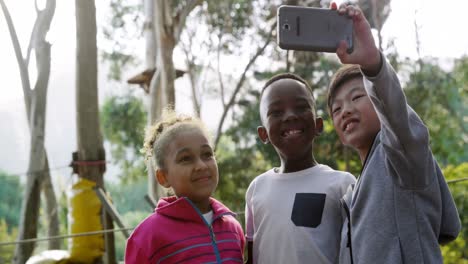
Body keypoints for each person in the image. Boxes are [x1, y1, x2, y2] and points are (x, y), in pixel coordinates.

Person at [327, 3, 461, 263]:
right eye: (337, 109)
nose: (346, 110)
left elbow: (397, 117)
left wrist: (372, 65)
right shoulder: (352, 196)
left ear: (378, 102)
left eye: (357, 97)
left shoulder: (401, 158)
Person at [244, 72, 356, 264]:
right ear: (264, 134)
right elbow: (251, 254)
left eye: (301, 107)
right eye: (276, 112)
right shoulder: (256, 188)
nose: (290, 116)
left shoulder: (342, 184)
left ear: (318, 125)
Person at [125, 110, 245, 263]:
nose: (201, 165)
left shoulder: (232, 228)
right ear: (163, 177)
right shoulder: (147, 237)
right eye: (186, 159)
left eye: (207, 154)